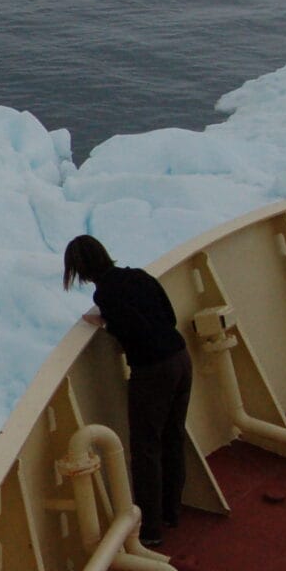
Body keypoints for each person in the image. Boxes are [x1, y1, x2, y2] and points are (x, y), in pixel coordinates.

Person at [63, 235, 191, 548]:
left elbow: (129, 328)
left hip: (152, 370)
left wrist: (106, 322)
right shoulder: (138, 276)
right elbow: (168, 316)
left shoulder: (106, 293)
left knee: (146, 447)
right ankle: (172, 511)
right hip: (180, 358)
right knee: (172, 435)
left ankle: (150, 528)